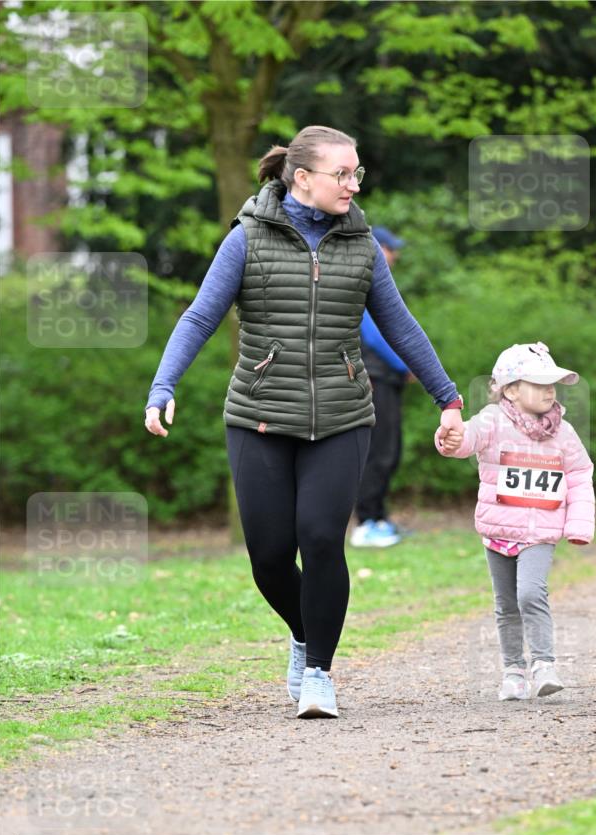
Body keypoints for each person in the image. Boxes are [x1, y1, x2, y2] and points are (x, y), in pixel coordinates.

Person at [145, 125, 464, 720]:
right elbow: (198, 319)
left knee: (321, 538)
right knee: (268, 555)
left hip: (342, 415)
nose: (353, 184)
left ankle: (318, 671)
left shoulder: (363, 246)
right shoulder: (246, 240)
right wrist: (163, 386)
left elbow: (401, 326)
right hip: (259, 415)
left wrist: (447, 397)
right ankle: (302, 630)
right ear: (302, 178)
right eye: (342, 174)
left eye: (357, 173)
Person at [437, 342, 595, 701]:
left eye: (551, 384)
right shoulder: (493, 420)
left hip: (541, 530)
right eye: (538, 384)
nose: (549, 390)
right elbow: (468, 439)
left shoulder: (564, 432)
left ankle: (543, 664)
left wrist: (579, 524)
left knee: (530, 592)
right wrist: (451, 438)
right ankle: (513, 672)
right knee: (506, 604)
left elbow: (581, 474)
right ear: (510, 389)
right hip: (498, 529)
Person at [351, 226, 411, 548]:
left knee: (389, 450)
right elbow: (375, 336)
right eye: (391, 248)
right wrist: (408, 363)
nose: (395, 255)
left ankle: (380, 518)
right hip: (374, 377)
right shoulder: (366, 282)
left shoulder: (379, 284)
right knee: (377, 452)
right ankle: (366, 522)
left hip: (386, 379)